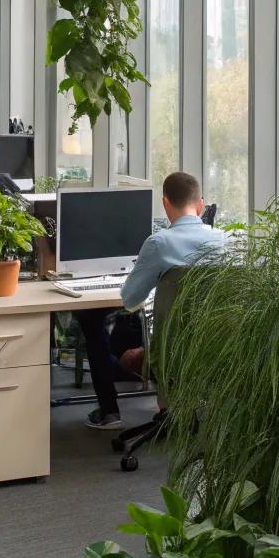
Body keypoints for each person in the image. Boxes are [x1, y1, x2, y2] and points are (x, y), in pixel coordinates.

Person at [79, 170, 227, 429]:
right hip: (216, 348)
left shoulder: (159, 243)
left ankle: (111, 411)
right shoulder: (225, 241)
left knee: (98, 325)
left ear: (165, 202)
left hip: (170, 351)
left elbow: (129, 299)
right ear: (201, 205)